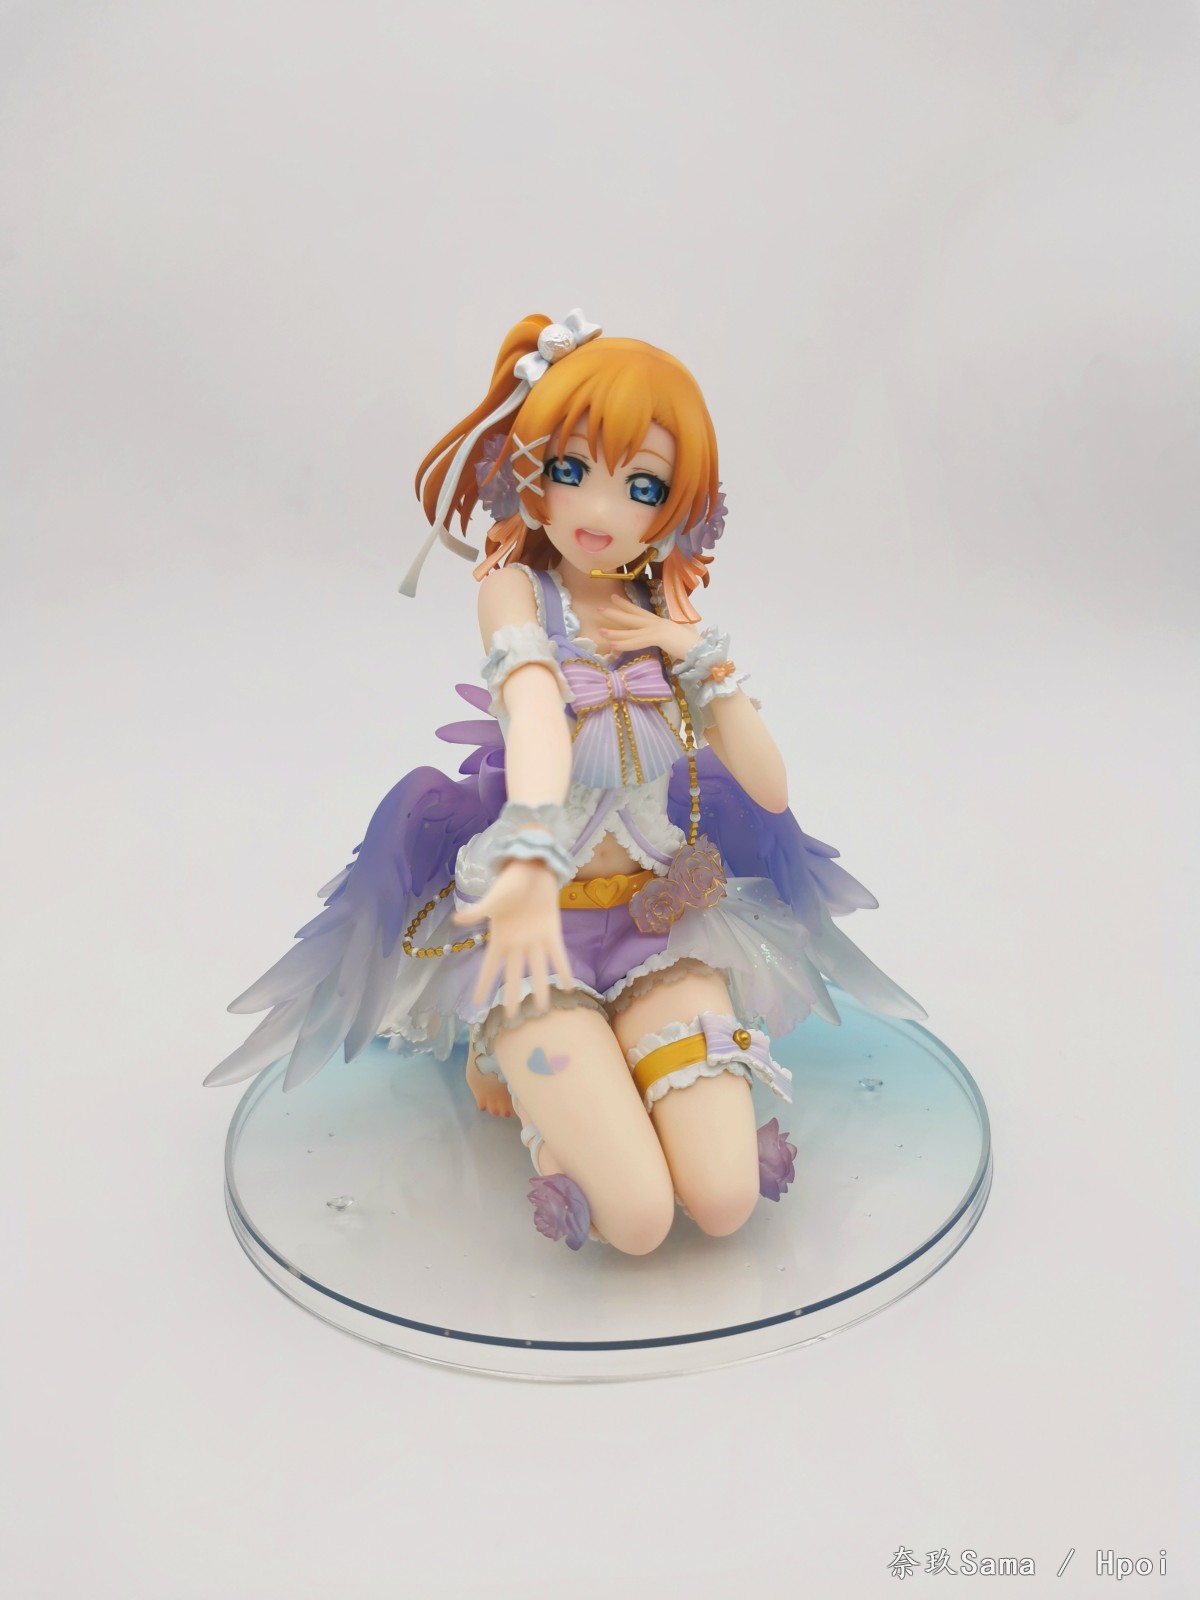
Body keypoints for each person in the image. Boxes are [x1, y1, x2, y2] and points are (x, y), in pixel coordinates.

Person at [206, 309, 926, 1257]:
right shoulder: (517, 591)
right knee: (637, 1220)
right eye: (572, 468)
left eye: (643, 485)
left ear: (677, 505)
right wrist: (530, 850)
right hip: (537, 941)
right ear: (526, 470)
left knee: (723, 1199)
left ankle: (606, 1078)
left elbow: (771, 787)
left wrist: (693, 653)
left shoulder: (663, 608)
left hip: (657, 928)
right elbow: (538, 715)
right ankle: (537, 1090)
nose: (602, 508)